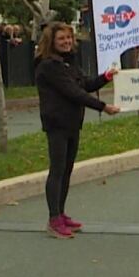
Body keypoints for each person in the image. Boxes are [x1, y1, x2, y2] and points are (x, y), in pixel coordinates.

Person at [35, 22, 121, 239]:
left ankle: (61, 214)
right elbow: (73, 92)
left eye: (69, 38)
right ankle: (53, 219)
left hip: (73, 123)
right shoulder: (48, 66)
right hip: (57, 124)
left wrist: (106, 77)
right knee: (57, 171)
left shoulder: (68, 63)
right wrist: (103, 107)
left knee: (66, 171)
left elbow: (86, 84)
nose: (66, 42)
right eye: (61, 39)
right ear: (52, 42)